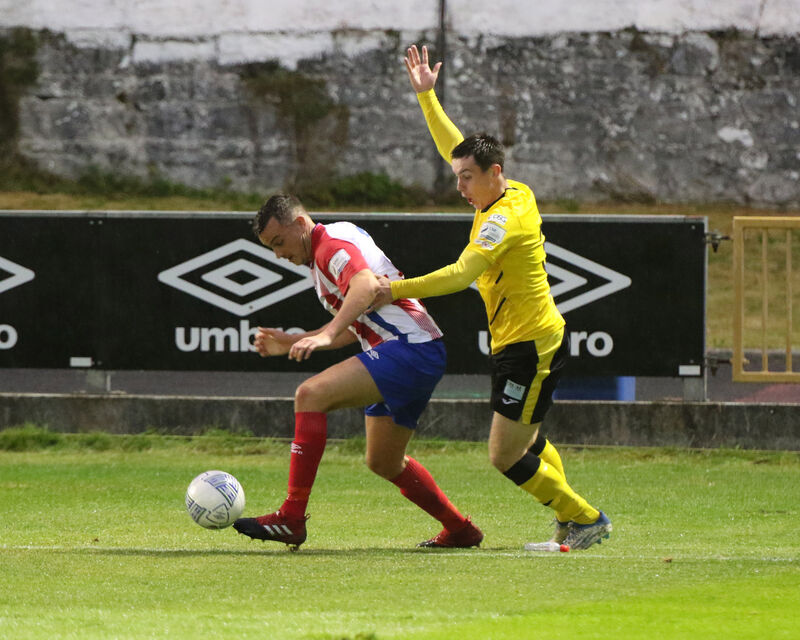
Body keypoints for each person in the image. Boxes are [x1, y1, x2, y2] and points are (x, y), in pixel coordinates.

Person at [373, 45, 611, 551]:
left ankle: (585, 517)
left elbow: (461, 274)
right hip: (523, 340)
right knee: (529, 442)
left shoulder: (503, 219)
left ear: (493, 172)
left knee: (504, 455)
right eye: (458, 176)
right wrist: (427, 97)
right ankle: (570, 520)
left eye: (467, 178)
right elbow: (455, 146)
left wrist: (392, 289)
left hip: (530, 344)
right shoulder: (508, 190)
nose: (460, 186)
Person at [233, 194, 483, 550]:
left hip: (410, 347)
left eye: (279, 243)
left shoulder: (328, 246)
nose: (279, 255)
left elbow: (365, 286)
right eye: (271, 248)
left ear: (300, 225)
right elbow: (359, 321)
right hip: (415, 349)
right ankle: (460, 530)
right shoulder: (331, 246)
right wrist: (292, 341)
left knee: (310, 395)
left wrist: (325, 334)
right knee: (383, 460)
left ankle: (291, 517)